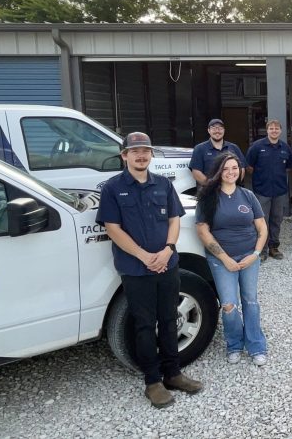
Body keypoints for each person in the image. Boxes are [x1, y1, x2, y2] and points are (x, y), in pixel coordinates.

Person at [96, 132, 203, 408]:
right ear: (124, 156)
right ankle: (153, 382)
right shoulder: (112, 188)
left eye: (145, 151)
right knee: (144, 325)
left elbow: (174, 220)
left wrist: (168, 249)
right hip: (135, 268)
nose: (141, 155)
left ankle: (173, 374)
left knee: (169, 319)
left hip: (167, 263)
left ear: (151, 155)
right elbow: (112, 229)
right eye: (135, 151)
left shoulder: (163, 185)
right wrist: (144, 256)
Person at [196, 152, 270, 367]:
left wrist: (255, 254)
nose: (231, 172)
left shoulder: (248, 196)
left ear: (240, 171)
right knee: (229, 305)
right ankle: (234, 344)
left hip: (249, 257)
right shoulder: (208, 198)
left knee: (251, 301)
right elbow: (203, 231)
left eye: (234, 168)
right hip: (221, 260)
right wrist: (224, 258)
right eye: (226, 168)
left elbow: (262, 227)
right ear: (219, 172)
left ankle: (256, 345)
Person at [245, 118, 292, 261]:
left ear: (280, 131)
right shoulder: (256, 147)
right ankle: (262, 250)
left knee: (277, 220)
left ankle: (274, 247)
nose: (274, 131)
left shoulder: (285, 148)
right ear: (267, 130)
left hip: (279, 191)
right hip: (262, 191)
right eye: (271, 128)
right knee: (262, 221)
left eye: (277, 128)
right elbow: (249, 167)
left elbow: (289, 167)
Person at [189, 118, 246, 186]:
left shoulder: (234, 148)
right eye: (213, 128)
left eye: (220, 128)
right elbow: (196, 172)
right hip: (209, 193)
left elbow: (242, 169)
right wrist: (210, 187)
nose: (217, 131)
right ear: (208, 130)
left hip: (231, 191)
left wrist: (233, 185)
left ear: (224, 131)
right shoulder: (199, 149)